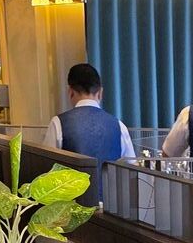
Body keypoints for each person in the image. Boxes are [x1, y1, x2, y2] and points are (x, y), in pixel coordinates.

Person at [44, 61, 135, 205]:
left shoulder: (58, 123)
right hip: (111, 209)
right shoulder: (119, 125)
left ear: (70, 91)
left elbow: (47, 170)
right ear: (100, 92)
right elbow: (132, 168)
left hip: (71, 209)